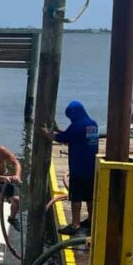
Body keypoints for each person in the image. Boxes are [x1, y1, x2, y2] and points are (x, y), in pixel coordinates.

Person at [41, 100, 99, 236]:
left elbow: (60, 138)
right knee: (90, 195)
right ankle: (91, 220)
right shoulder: (92, 124)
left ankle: (75, 224)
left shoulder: (77, 126)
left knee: (76, 197)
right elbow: (71, 135)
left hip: (78, 167)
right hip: (92, 167)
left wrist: (44, 133)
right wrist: (57, 129)